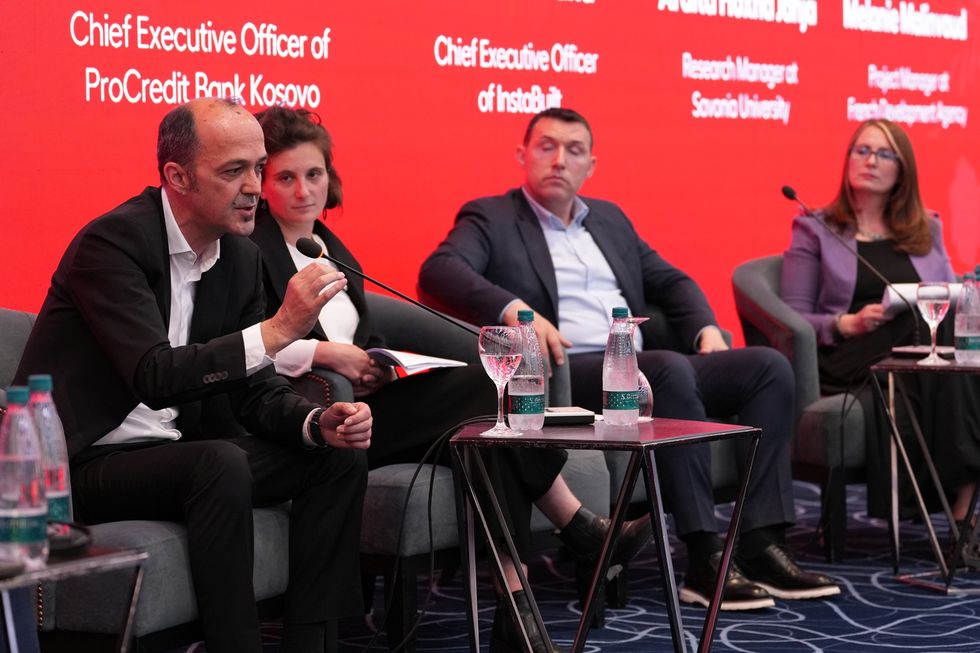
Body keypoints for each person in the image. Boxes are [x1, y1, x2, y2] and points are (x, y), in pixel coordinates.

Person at [248, 105, 651, 653]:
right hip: (319, 418)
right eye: (285, 178)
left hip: (372, 403)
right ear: (262, 184)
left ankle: (517, 611)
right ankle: (578, 524)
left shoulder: (330, 249)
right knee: (487, 393)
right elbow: (250, 344)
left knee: (486, 441)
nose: (303, 191)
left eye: (313, 174)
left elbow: (363, 334)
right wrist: (328, 355)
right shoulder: (250, 252)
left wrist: (381, 364)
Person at [418, 107, 841, 610]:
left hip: (638, 365)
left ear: (591, 165)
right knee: (666, 369)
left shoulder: (610, 220)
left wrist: (706, 329)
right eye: (547, 147)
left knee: (766, 368)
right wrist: (514, 310)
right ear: (522, 155)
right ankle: (704, 556)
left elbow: (671, 281)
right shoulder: (492, 217)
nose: (559, 160)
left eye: (574, 150)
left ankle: (761, 542)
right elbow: (439, 270)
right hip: (569, 372)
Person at [13, 98, 374, 653]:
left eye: (258, 168)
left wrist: (314, 421)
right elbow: (153, 375)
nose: (253, 188)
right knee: (218, 462)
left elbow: (253, 387)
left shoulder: (239, 258)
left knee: (336, 455)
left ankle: (310, 643)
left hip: (177, 452)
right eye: (233, 171)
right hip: (88, 465)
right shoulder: (111, 245)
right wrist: (280, 329)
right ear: (177, 177)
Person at [780, 118, 980, 523]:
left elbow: (950, 296)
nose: (871, 161)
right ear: (849, 159)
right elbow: (792, 317)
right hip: (846, 354)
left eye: (884, 154)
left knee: (944, 325)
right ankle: (963, 499)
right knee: (925, 322)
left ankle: (960, 504)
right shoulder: (816, 228)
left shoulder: (927, 229)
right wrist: (845, 323)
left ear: (902, 170)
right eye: (863, 150)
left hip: (911, 355)